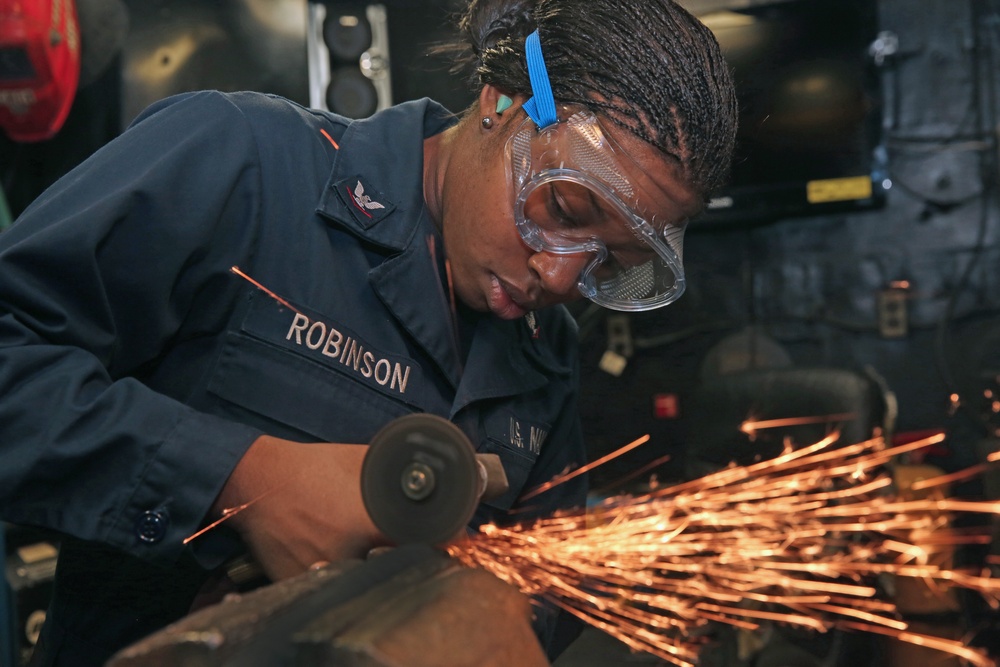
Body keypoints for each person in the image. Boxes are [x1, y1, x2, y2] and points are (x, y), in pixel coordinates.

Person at [0, 0, 737, 664]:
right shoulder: (244, 166)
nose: (562, 277)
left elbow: (534, 586)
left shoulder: (546, 355)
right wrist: (236, 476)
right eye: (568, 211)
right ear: (504, 100)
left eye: (609, 258)